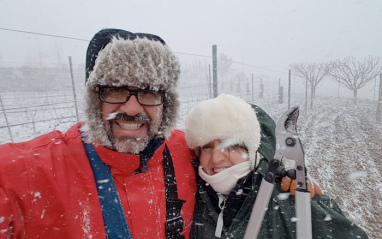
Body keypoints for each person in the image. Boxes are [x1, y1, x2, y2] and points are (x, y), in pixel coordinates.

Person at [0, 28, 196, 239]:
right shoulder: (27, 173)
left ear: (166, 103)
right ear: (95, 99)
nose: (131, 109)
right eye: (115, 90)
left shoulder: (193, 152)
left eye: (148, 92)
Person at [185, 94, 368, 239]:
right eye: (207, 146)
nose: (216, 158)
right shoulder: (189, 197)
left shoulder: (294, 202)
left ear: (256, 151)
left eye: (231, 145)